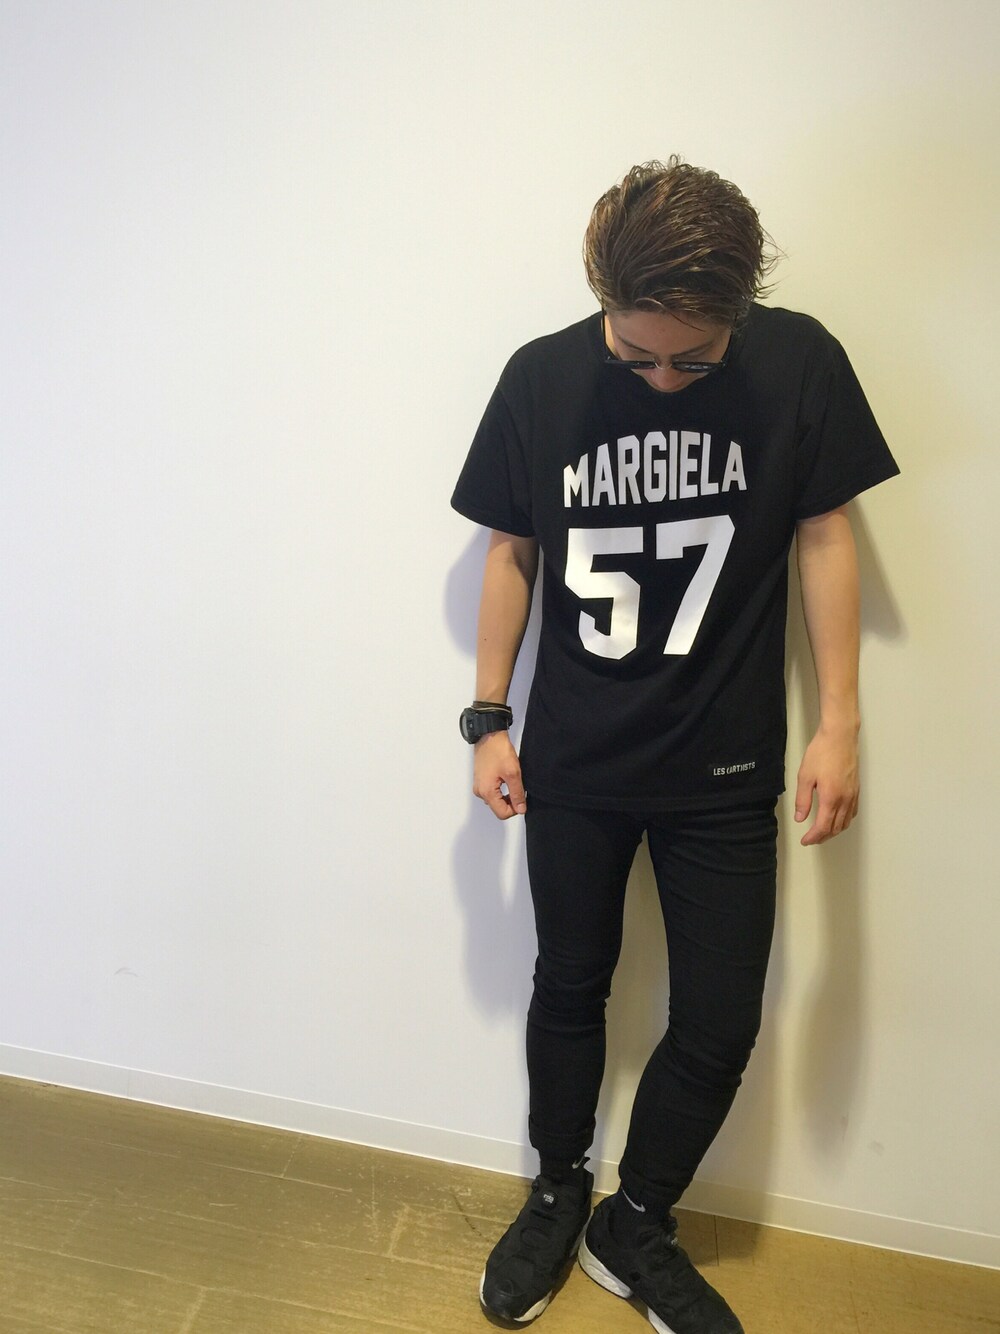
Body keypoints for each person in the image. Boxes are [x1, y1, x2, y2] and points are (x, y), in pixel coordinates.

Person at [452, 158, 898, 1333]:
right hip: (576, 756)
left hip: (726, 762)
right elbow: (511, 550)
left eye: (691, 360)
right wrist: (489, 715)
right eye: (634, 352)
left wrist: (840, 720)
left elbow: (823, 532)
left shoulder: (799, 362)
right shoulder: (542, 378)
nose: (659, 377)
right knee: (569, 982)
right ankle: (558, 1185)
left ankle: (635, 1218)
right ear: (600, 298)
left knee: (720, 1016)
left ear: (739, 310)